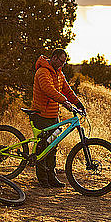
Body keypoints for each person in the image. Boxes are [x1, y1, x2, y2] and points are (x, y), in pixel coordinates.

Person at [31, 48, 85, 188]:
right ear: (54, 58)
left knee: (52, 146)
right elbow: (48, 89)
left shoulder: (58, 73)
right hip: (41, 114)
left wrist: (78, 103)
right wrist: (65, 102)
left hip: (53, 115)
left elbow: (67, 90)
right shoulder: (42, 71)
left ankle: (52, 177)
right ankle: (43, 179)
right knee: (43, 146)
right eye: (61, 61)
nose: (63, 64)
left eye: (65, 62)